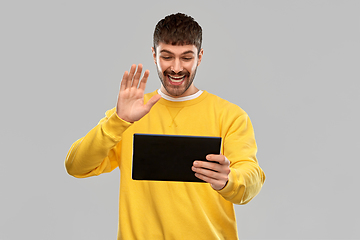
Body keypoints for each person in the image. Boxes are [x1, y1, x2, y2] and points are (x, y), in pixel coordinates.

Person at [65, 12, 265, 240]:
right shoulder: (128, 115)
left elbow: (252, 179)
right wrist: (117, 121)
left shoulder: (230, 116)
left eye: (186, 57)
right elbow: (75, 165)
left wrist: (229, 180)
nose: (177, 68)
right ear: (154, 55)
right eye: (167, 56)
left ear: (199, 57)